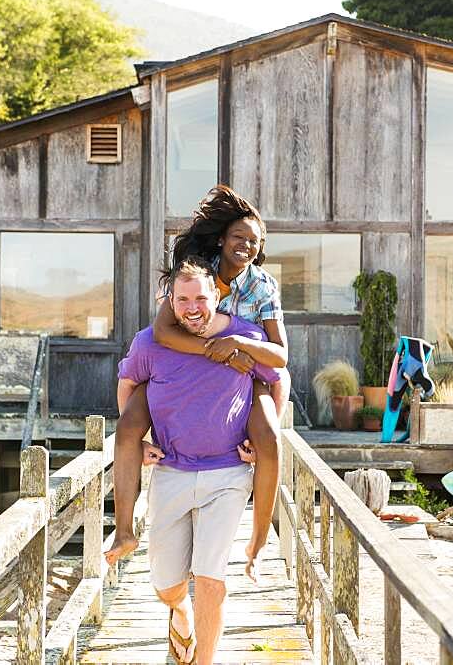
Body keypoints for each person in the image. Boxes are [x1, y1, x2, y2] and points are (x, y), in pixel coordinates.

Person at [105, 185, 290, 583]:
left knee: (271, 438)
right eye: (238, 236)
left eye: (254, 242)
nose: (245, 245)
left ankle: (257, 542)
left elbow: (280, 356)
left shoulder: (262, 286)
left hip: (242, 376)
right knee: (127, 427)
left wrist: (239, 346)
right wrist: (216, 349)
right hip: (185, 365)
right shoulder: (196, 271)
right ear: (222, 239)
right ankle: (123, 531)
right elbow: (165, 334)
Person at [114, 256, 282, 664]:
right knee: (166, 585)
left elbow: (277, 380)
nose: (193, 307)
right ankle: (180, 611)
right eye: (183, 299)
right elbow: (128, 384)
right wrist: (144, 441)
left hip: (227, 474)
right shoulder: (148, 344)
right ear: (171, 302)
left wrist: (260, 441)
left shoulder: (246, 334)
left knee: (211, 578)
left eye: (200, 298)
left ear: (216, 297)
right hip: (171, 471)